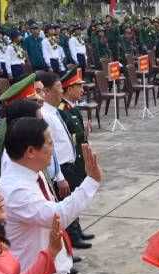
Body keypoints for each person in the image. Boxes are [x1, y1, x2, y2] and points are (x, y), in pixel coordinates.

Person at [0, 117, 102, 274]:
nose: (53, 149)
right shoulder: (16, 188)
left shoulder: (30, 173)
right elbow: (57, 217)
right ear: (30, 151)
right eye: (49, 143)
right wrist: (91, 182)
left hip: (48, 272)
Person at [57, 69, 95, 248]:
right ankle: (72, 235)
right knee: (70, 197)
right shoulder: (62, 109)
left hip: (78, 158)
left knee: (76, 192)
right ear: (68, 88)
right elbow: (65, 136)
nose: (82, 90)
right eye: (78, 86)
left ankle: (77, 229)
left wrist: (83, 134)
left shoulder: (72, 107)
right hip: (69, 159)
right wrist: (81, 135)